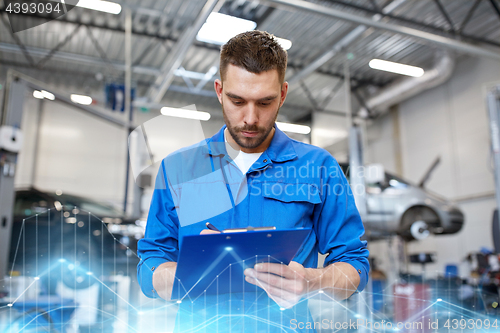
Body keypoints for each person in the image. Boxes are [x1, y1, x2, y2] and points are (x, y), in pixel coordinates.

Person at [137, 30, 369, 332]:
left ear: (283, 94)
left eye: (264, 102)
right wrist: (186, 274)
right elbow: (150, 265)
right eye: (237, 100)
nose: (250, 118)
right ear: (219, 90)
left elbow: (356, 263)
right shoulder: (179, 168)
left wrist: (314, 280)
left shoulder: (319, 167)